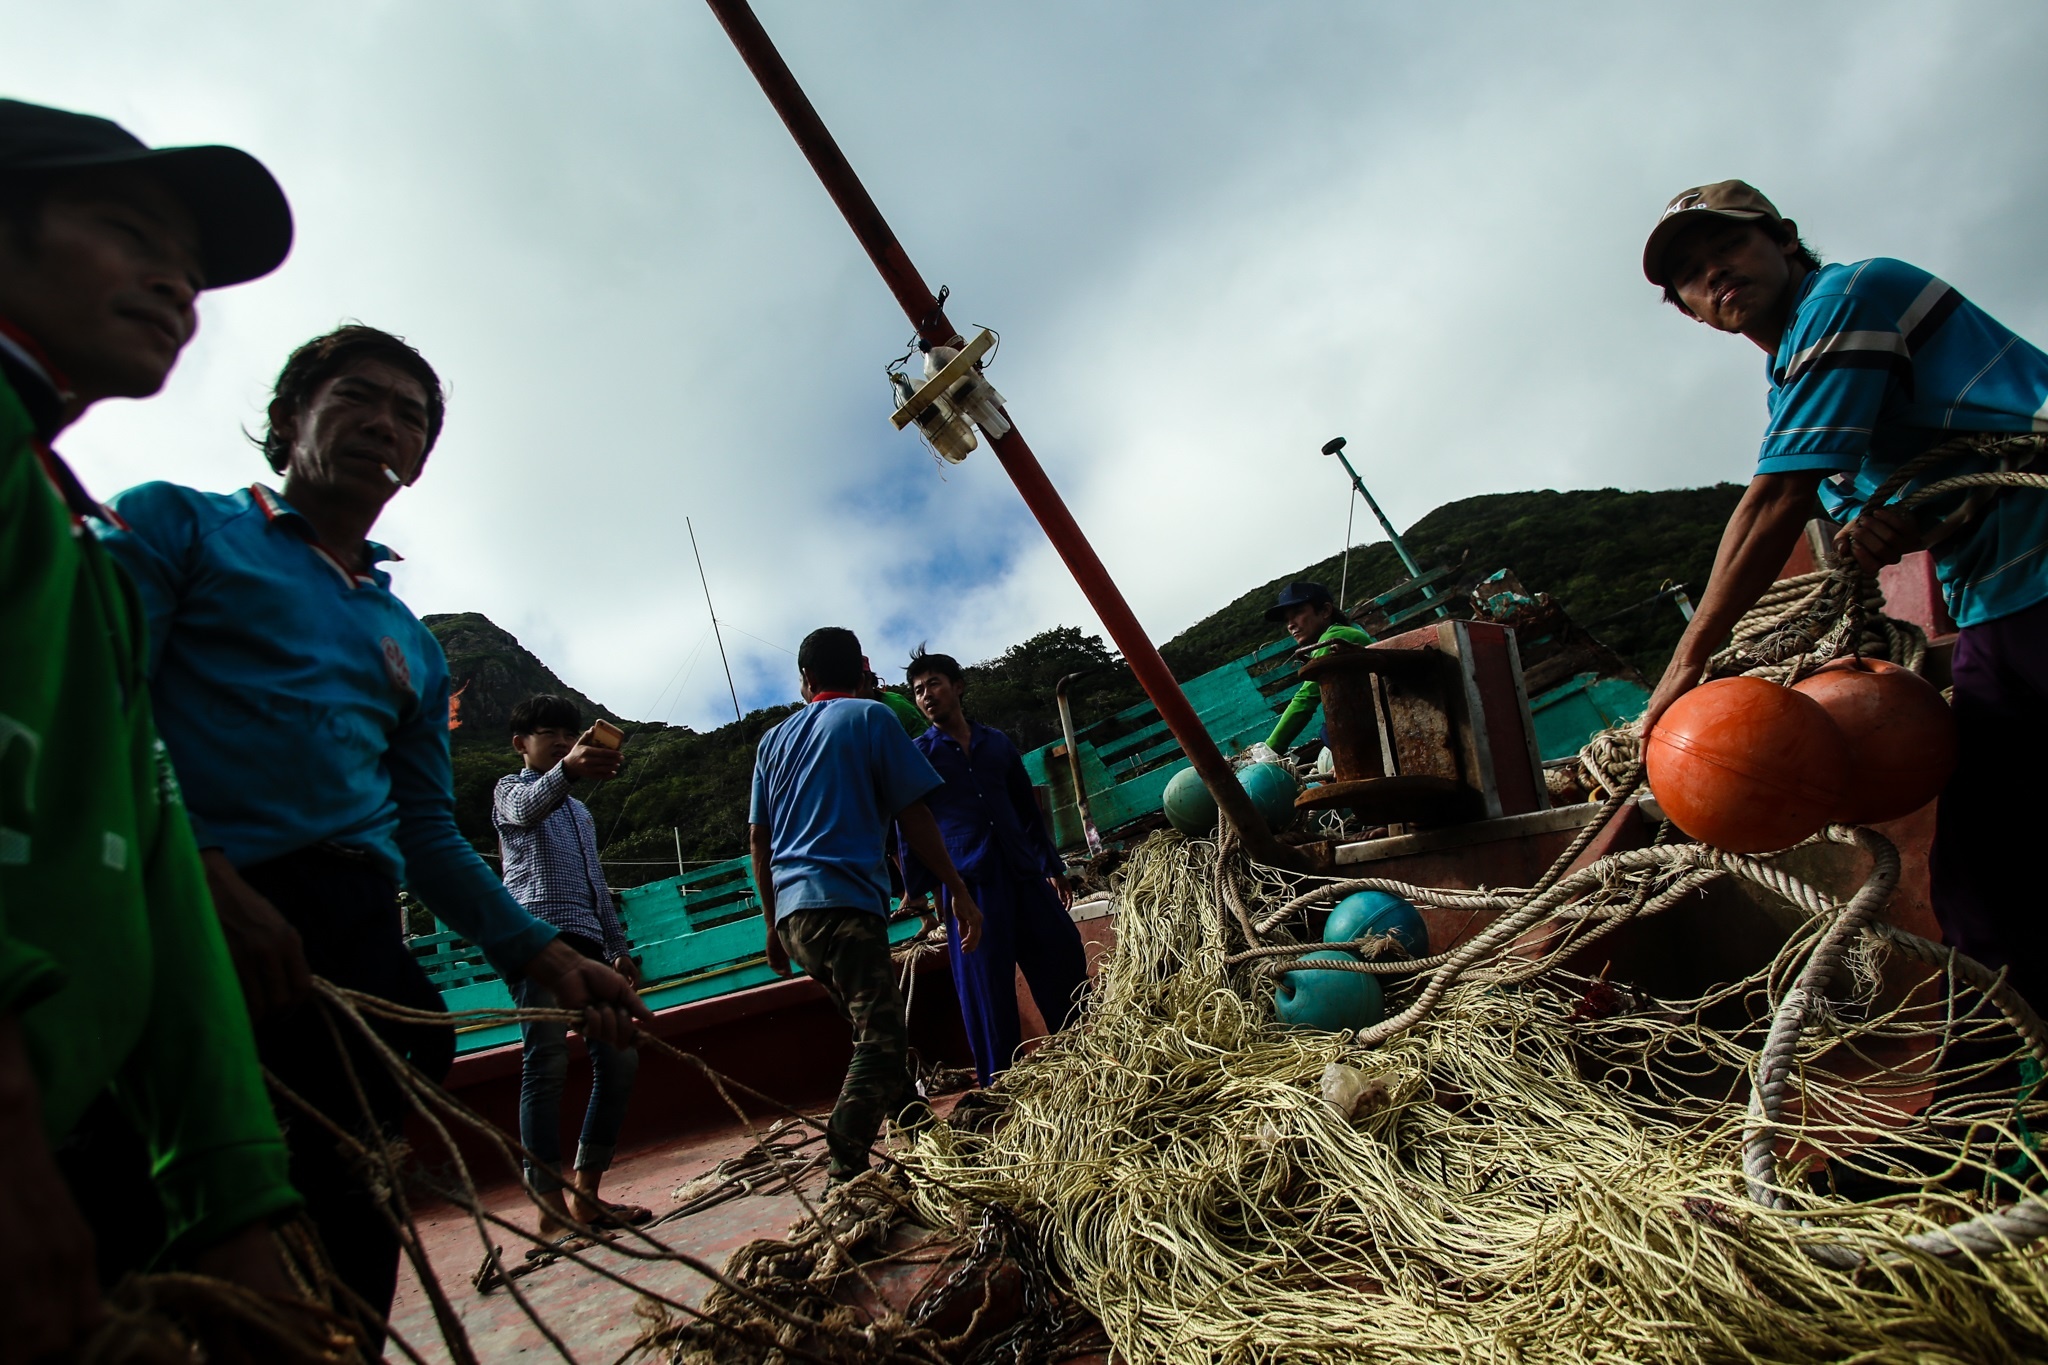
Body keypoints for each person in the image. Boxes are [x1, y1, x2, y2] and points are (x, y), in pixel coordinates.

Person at [95, 324, 651, 1343]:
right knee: (166, 1235)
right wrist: (202, 874)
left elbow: (424, 832)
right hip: (180, 910)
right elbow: (97, 697)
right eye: (356, 395)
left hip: (350, 931)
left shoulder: (409, 643)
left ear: (421, 461)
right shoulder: (176, 525)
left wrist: (543, 952)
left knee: (350, 1217)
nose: (384, 423)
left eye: (411, 416)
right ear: (287, 419)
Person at [0, 98, 303, 1357]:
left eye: (189, 265)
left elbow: (162, 885)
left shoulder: (81, 554)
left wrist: (238, 1212)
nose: (177, 283)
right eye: (128, 233)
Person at [1636, 180, 2048, 1012]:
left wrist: (1686, 665)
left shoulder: (1848, 298)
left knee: (1990, 867)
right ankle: (2021, 1047)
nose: (1715, 271)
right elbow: (1908, 494)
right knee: (1983, 872)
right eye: (1690, 272)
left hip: (2036, 573)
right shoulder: (1791, 377)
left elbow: (1779, 500)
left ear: (1785, 239)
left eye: (1730, 244)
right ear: (1689, 310)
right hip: (1996, 600)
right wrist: (1893, 525)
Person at [749, 627, 984, 1186]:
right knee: (881, 1038)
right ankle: (846, 1161)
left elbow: (759, 839)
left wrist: (771, 926)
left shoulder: (771, 741)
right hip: (847, 907)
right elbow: (913, 814)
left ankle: (921, 1133)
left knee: (871, 1029)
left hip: (796, 916)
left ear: (806, 680)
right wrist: (956, 889)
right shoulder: (872, 717)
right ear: (861, 673)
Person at [495, 695, 649, 1238]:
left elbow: (595, 885)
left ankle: (586, 1195)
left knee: (620, 1059)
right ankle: (548, 1208)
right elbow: (525, 810)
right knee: (546, 1062)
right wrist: (567, 769)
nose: (561, 741)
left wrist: (617, 946)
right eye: (548, 734)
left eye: (569, 734)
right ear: (521, 744)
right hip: (534, 940)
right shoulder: (509, 790)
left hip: (588, 943)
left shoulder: (581, 813)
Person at [901, 649, 1088, 1087]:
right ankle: (998, 1089)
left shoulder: (997, 743)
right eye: (918, 690)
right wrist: (922, 891)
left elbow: (1027, 809)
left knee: (1062, 959)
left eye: (934, 683)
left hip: (1023, 874)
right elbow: (908, 824)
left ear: (958, 686)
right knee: (985, 991)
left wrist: (1052, 866)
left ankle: (1085, 1062)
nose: (926, 695)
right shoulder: (918, 756)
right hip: (970, 889)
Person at [1263, 581, 1375, 754]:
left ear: (1325, 611)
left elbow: (1306, 699)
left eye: (1297, 613)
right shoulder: (1343, 633)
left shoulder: (1336, 638)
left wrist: (1271, 749)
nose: (1290, 625)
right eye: (1287, 619)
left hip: (1381, 718)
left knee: (1332, 731)